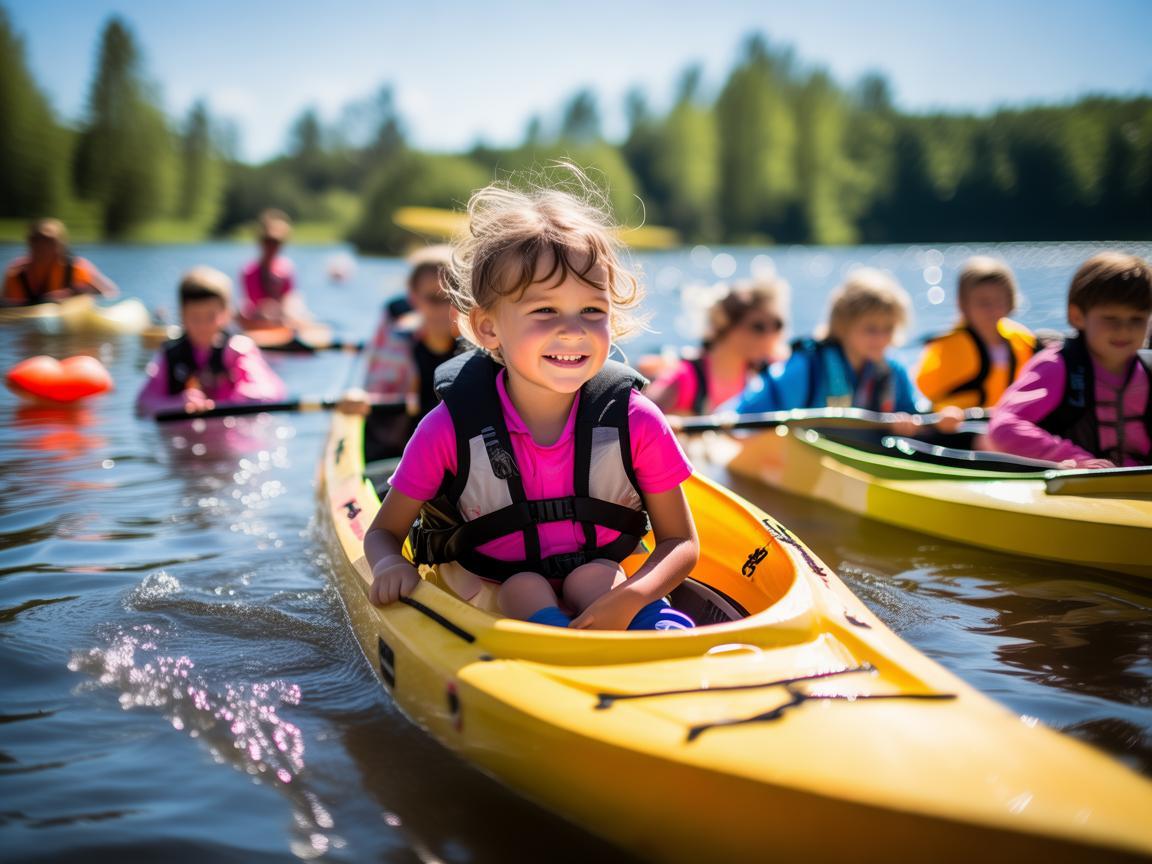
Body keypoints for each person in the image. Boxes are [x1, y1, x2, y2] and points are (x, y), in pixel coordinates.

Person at [363, 178, 700, 631]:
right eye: (545, 310)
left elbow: (680, 542)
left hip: (604, 580)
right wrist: (389, 565)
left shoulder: (636, 419)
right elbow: (383, 533)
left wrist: (629, 599)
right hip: (490, 590)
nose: (573, 331)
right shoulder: (447, 430)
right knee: (523, 586)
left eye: (592, 310)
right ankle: (551, 634)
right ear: (488, 328)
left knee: (596, 577)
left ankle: (658, 631)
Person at [987, 252, 1152, 468]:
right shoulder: (1057, 366)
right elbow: (1004, 428)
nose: (1124, 329)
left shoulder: (1147, 371)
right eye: (1110, 318)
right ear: (1077, 316)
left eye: (1137, 319)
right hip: (1073, 481)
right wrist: (1075, 459)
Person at [728, 268, 922, 436]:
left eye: (888, 328)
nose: (881, 339)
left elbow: (916, 413)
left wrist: (915, 423)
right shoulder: (807, 367)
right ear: (844, 325)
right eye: (871, 329)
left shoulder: (892, 370)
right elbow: (742, 415)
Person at [340, 245, 464, 461]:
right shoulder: (397, 343)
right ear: (414, 299)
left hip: (453, 453)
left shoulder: (480, 348)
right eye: (434, 299)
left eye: (452, 298)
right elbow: (376, 390)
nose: (446, 309)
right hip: (397, 452)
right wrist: (358, 398)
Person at [136, 267, 286, 416]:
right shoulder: (170, 354)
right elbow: (143, 403)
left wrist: (230, 400)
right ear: (182, 315)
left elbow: (272, 393)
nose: (203, 325)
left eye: (210, 316)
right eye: (195, 317)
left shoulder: (237, 350)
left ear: (226, 314)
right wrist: (177, 403)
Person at [646, 277, 789, 416]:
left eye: (777, 325)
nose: (770, 335)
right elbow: (642, 419)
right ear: (725, 324)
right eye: (758, 327)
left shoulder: (767, 374)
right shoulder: (686, 377)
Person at [916, 257, 1037, 412]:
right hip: (963, 424)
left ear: (1010, 301)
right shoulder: (946, 346)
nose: (992, 309)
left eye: (999, 301)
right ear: (963, 304)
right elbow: (927, 388)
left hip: (1010, 420)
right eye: (983, 302)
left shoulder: (1024, 340)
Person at [2, 218, 118, 305]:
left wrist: (76, 292)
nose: (41, 245)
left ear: (61, 244)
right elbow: (5, 303)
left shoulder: (77, 267)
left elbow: (109, 293)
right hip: (27, 317)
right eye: (36, 239)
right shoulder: (16, 271)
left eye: (48, 240)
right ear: (29, 242)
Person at [237, 209, 308, 329]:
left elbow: (289, 297)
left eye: (276, 243)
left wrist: (283, 310)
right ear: (261, 242)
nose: (272, 247)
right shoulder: (249, 271)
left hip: (283, 315)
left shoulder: (286, 269)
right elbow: (254, 301)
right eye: (268, 242)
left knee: (296, 303)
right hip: (259, 316)